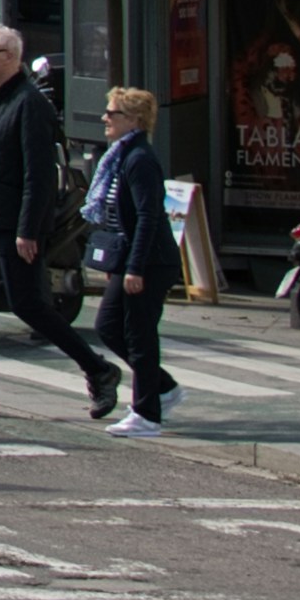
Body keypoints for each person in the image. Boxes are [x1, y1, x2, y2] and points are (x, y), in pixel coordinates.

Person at [0, 24, 118, 420]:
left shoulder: (30, 104)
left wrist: (28, 230)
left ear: (11, 58)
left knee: (29, 306)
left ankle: (99, 370)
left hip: (13, 226)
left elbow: (39, 175)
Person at [81, 84, 182, 434]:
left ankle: (147, 414)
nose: (105, 118)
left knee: (139, 336)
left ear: (134, 120)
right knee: (108, 327)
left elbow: (148, 218)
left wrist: (136, 268)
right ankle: (163, 387)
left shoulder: (140, 159)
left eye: (113, 113)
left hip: (150, 262)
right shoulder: (121, 156)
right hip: (127, 260)